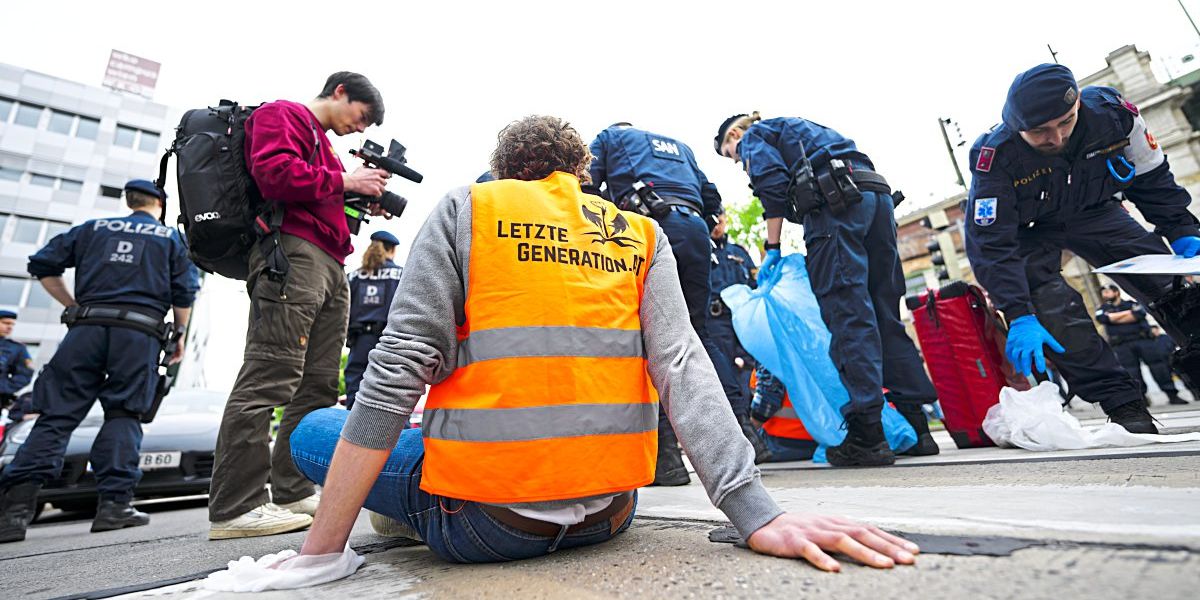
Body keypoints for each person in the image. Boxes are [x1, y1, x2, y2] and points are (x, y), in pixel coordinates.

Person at [276, 115, 917, 581]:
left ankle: (397, 516)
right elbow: (683, 367)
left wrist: (320, 557)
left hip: (486, 525)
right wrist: (756, 513)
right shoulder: (638, 234)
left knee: (312, 430)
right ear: (582, 174)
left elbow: (395, 374)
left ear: (504, 171)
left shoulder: (466, 209)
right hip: (609, 515)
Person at [963, 64, 1200, 434]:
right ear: (1015, 126)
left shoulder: (1114, 116)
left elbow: (1151, 175)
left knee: (1171, 284)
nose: (1056, 138)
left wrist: (1182, 227)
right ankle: (1124, 405)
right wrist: (1018, 311)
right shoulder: (995, 157)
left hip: (1097, 211)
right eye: (1039, 131)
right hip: (1031, 230)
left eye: (1065, 122)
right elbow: (991, 245)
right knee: (1051, 306)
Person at [208, 72, 389, 540]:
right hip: (293, 255)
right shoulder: (283, 114)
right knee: (271, 373)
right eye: (361, 116)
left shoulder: (324, 147)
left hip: (330, 261)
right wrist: (346, 179)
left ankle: (290, 490)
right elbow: (276, 175)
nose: (359, 128)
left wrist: (356, 195)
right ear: (341, 92)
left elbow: (318, 191)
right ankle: (236, 507)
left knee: (317, 385)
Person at [714, 113, 941, 467]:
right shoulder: (799, 128)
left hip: (835, 205)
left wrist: (771, 247)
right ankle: (916, 427)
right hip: (874, 198)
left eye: (733, 155)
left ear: (735, 134)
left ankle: (868, 435)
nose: (740, 162)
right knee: (884, 315)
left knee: (847, 314)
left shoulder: (755, 135)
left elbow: (771, 187)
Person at [0, 179, 198, 543]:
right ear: (159, 203)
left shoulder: (92, 229)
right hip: (138, 335)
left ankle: (13, 514)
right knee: (124, 414)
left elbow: (43, 264)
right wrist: (179, 335)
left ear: (129, 200)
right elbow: (184, 291)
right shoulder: (170, 238)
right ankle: (114, 507)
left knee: (56, 416)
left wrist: (72, 306)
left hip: (86, 330)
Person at [589, 122, 769, 485]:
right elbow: (713, 198)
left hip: (649, 229)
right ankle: (746, 437)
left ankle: (666, 458)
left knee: (645, 338)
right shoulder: (679, 147)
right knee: (696, 337)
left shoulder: (611, 138)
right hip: (695, 232)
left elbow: (586, 184)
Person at [1095, 284, 1184, 405]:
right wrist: (1127, 314)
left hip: (1143, 340)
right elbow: (1103, 319)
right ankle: (1141, 398)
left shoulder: (1132, 304)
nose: (1105, 294)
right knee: (1131, 372)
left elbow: (1138, 314)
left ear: (1116, 292)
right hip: (1122, 344)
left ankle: (1171, 394)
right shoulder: (1102, 309)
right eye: (1103, 292)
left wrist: (1114, 317)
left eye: (1108, 291)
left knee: (1158, 367)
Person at [344, 231, 403, 409]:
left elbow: (343, 310)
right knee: (393, 394)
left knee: (355, 392)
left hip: (360, 342)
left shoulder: (353, 277)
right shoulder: (401, 275)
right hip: (391, 342)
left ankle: (351, 435)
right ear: (391, 250)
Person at [708, 211, 758, 393]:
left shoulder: (739, 252)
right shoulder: (701, 250)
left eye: (720, 221)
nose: (717, 226)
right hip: (715, 323)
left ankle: (746, 417)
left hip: (743, 323)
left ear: (725, 220)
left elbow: (755, 286)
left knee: (746, 371)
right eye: (713, 222)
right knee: (721, 375)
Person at [750, 366, 818, 462]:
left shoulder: (771, 356)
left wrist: (744, 434)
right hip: (820, 439)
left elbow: (766, 403)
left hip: (782, 440)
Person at [1149, 325, 1191, 404]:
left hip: (1173, 360)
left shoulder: (1166, 337)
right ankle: (1173, 396)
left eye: (1155, 330)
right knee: (1166, 378)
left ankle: (1195, 393)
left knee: (1184, 377)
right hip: (1162, 363)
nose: (1154, 332)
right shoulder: (1150, 341)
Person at [0, 310, 33, 411]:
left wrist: (3, 388)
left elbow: (25, 374)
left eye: (12, 324)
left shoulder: (17, 348)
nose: (10, 327)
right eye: (6, 323)